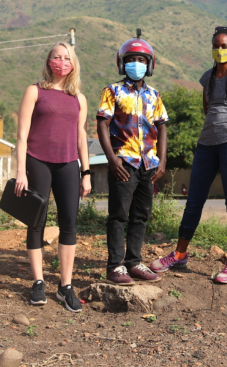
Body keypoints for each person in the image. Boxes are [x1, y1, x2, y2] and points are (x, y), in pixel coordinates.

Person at [150, 26, 227, 284]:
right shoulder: (207, 79)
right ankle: (179, 254)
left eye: (224, 46)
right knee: (194, 200)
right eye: (216, 46)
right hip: (207, 144)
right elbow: (207, 109)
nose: (220, 50)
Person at [15, 41, 91, 311]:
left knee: (69, 224)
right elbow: (22, 135)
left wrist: (86, 172)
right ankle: (38, 282)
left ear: (73, 64)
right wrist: (20, 171)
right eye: (56, 57)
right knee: (36, 222)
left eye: (67, 58)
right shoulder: (34, 91)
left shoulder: (78, 98)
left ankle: (65, 286)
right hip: (37, 162)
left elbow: (81, 137)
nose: (61, 62)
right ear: (49, 62)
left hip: (68, 164)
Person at [96, 30, 168, 285]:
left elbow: (161, 127)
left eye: (141, 60)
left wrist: (162, 160)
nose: (136, 64)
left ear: (149, 65)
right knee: (118, 216)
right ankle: (115, 266)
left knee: (141, 215)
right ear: (121, 62)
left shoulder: (154, 95)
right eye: (131, 59)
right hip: (124, 163)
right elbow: (102, 124)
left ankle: (134, 262)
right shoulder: (112, 91)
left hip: (149, 164)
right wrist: (112, 159)